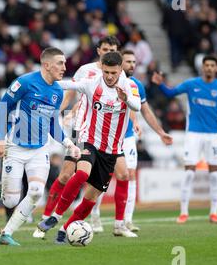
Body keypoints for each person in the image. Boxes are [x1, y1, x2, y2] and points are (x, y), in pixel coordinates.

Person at [37, 51, 141, 243]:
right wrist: (39, 80)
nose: (109, 77)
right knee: (82, 174)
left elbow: (137, 106)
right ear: (102, 68)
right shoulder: (93, 83)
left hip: (111, 151)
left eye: (113, 73)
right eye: (106, 72)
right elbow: (68, 84)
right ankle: (56, 215)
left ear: (120, 70)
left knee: (91, 199)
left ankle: (64, 230)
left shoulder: (128, 85)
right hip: (89, 140)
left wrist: (125, 98)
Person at [0, 47, 81, 246]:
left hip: (40, 150)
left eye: (65, 63)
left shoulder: (58, 91)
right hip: (15, 148)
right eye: (60, 63)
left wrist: (68, 144)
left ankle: (6, 234)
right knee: (10, 201)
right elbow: (2, 107)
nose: (64, 67)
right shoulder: (24, 82)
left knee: (35, 191)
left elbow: (52, 123)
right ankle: (5, 189)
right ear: (46, 65)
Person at [151, 55, 217, 224]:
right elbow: (171, 92)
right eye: (207, 65)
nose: (210, 68)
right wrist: (160, 84)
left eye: (213, 65)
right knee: (189, 171)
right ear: (202, 67)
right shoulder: (192, 84)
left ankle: (214, 212)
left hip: (213, 135)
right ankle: (184, 212)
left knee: (214, 173)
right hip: (194, 134)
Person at [117, 50, 173, 232]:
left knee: (130, 174)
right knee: (100, 178)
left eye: (134, 62)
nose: (132, 65)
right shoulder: (111, 81)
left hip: (127, 137)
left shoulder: (136, 85)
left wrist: (160, 132)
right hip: (107, 137)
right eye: (128, 61)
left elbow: (145, 110)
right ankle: (94, 218)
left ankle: (127, 220)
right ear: (120, 63)